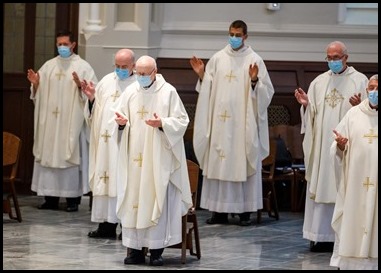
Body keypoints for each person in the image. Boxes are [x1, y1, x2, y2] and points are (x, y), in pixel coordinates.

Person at [189, 20, 274, 226]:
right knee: (219, 162)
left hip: (242, 125)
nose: (234, 38)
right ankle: (219, 211)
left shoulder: (255, 60)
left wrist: (254, 81)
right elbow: (208, 88)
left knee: (242, 161)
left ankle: (244, 211)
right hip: (219, 124)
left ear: (246, 36)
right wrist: (202, 75)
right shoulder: (218, 58)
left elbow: (266, 93)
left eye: (238, 34)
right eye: (231, 34)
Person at [113, 55, 192, 266]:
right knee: (134, 200)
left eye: (144, 74)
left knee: (156, 198)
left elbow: (182, 121)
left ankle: (156, 250)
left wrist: (162, 123)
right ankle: (134, 251)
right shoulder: (130, 92)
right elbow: (119, 119)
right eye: (137, 73)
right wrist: (121, 124)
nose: (140, 77)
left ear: (154, 72)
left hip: (158, 159)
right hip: (133, 160)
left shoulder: (169, 93)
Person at [294, 41, 368, 252]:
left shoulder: (359, 80)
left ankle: (343, 237)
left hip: (346, 146)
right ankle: (320, 236)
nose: (332, 61)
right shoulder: (318, 82)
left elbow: (370, 111)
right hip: (321, 146)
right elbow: (313, 117)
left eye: (336, 57)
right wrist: (307, 106)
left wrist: (359, 107)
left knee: (342, 186)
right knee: (322, 184)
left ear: (346, 57)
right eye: (329, 58)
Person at [27, 30, 98, 212]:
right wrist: (36, 84)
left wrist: (79, 85)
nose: (62, 47)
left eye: (65, 44)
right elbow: (38, 93)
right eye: (59, 44)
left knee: (70, 156)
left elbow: (92, 93)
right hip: (50, 124)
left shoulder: (83, 67)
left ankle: (72, 199)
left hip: (70, 124)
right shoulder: (49, 66)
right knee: (50, 155)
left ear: (73, 45)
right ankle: (50, 198)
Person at [81, 49, 136, 238]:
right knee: (105, 180)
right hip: (104, 144)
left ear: (133, 66)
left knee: (123, 182)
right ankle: (106, 225)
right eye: (117, 66)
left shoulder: (137, 85)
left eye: (124, 67)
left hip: (124, 144)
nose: (120, 70)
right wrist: (91, 100)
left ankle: (125, 225)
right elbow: (95, 112)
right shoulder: (105, 81)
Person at [329, 74, 378, 270]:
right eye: (372, 88)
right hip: (356, 183)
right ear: (367, 90)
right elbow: (336, 145)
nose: (374, 92)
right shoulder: (354, 114)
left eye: (378, 88)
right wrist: (340, 146)